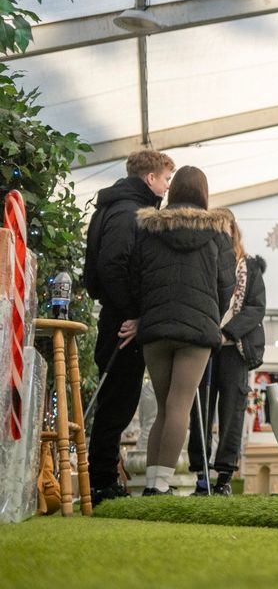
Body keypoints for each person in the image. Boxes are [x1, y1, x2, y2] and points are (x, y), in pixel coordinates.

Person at [127, 166, 235, 495]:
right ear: (203, 193)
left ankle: (151, 484)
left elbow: (135, 277)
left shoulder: (149, 229)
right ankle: (159, 486)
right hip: (196, 332)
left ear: (173, 192)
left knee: (164, 406)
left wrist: (143, 314)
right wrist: (210, 316)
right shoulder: (218, 232)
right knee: (180, 406)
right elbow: (226, 285)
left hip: (155, 328)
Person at [82, 149, 174, 505]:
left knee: (116, 401)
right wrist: (134, 313)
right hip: (122, 321)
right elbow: (112, 264)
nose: (167, 188)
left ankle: (102, 477)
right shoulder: (129, 211)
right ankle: (101, 481)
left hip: (116, 314)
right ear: (150, 178)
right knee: (116, 403)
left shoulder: (112, 205)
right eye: (165, 179)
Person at [187, 212, 267, 495]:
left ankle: (223, 478)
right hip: (206, 348)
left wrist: (228, 332)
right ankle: (201, 475)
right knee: (201, 412)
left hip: (236, 350)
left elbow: (256, 308)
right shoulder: (203, 263)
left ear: (234, 231)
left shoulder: (251, 268)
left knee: (232, 413)